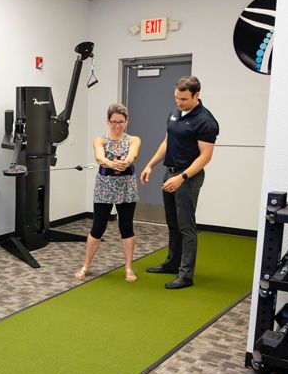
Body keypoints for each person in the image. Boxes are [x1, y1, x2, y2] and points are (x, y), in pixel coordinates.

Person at [139, 75, 219, 289]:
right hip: (170, 172)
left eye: (183, 99)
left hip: (188, 178)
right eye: (176, 98)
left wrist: (182, 178)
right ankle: (172, 263)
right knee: (172, 223)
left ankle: (186, 275)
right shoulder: (174, 113)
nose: (179, 102)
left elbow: (205, 156)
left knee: (186, 226)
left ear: (197, 95)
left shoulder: (206, 121)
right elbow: (167, 142)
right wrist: (150, 165)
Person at [76, 103, 141, 283]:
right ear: (108, 121)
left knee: (126, 226)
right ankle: (86, 266)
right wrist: (112, 164)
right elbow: (99, 157)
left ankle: (128, 268)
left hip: (127, 186)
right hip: (104, 186)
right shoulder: (100, 140)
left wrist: (125, 162)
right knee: (98, 226)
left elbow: (133, 155)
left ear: (126, 122)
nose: (117, 125)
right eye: (113, 122)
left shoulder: (133, 139)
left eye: (120, 122)